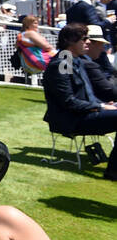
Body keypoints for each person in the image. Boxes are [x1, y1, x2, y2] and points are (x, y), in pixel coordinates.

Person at [43, 23, 117, 179]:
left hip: (84, 114)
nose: (89, 42)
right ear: (70, 41)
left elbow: (85, 94)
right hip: (72, 120)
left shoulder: (73, 59)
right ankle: (113, 170)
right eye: (84, 39)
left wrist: (104, 105)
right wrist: (100, 106)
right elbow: (68, 102)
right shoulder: (62, 63)